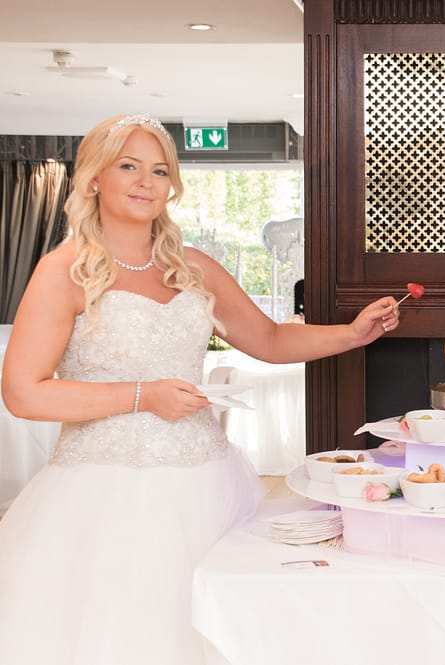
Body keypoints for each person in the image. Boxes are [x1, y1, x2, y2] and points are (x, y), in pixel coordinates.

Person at [0, 113, 401, 664]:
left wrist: (353, 334)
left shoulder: (193, 268)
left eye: (160, 170)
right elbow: (25, 393)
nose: (147, 181)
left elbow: (269, 338)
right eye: (129, 166)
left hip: (208, 485)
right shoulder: (65, 270)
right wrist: (142, 396)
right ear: (94, 178)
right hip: (103, 495)